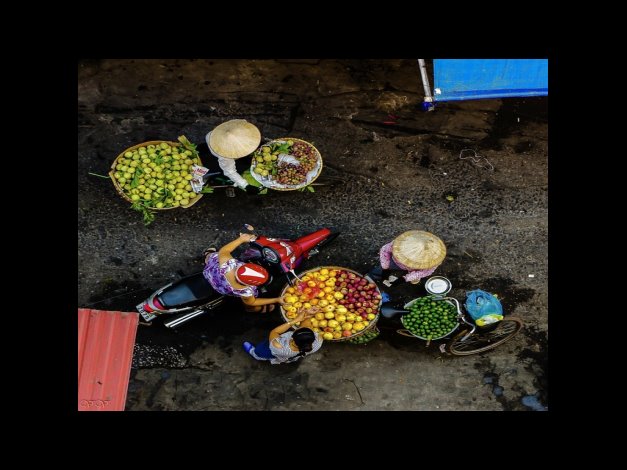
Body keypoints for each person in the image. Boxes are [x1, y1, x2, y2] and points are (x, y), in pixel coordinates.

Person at [202, 232, 284, 313]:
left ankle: (207, 254)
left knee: (213, 257)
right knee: (250, 306)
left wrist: (241, 239)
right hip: (222, 289)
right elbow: (252, 302)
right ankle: (253, 310)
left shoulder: (228, 265)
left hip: (212, 274)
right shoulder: (245, 291)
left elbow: (224, 250)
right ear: (250, 285)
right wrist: (276, 299)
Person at [195, 119, 263, 194]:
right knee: (240, 167)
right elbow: (230, 172)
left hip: (204, 147)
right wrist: (246, 185)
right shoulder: (225, 156)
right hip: (210, 159)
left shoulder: (222, 131)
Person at [243, 307, 323, 364]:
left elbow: (274, 332)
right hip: (292, 355)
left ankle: (254, 354)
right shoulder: (318, 340)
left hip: (276, 352)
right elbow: (306, 327)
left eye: (297, 329)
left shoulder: (278, 346)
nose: (299, 327)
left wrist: (295, 320)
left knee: (260, 351)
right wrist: (307, 315)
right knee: (289, 358)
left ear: (292, 338)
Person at [379, 230, 446, 284]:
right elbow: (385, 251)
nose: (407, 262)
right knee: (388, 267)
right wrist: (385, 267)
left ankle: (412, 278)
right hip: (396, 262)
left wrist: (405, 278)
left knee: (415, 277)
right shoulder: (397, 246)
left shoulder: (433, 260)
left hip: (416, 269)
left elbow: (424, 272)